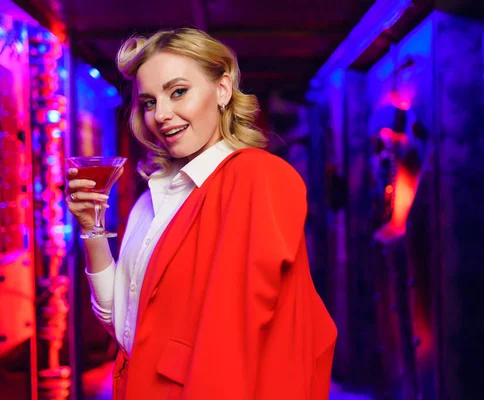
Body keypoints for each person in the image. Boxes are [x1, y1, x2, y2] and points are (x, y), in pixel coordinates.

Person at [65, 27, 337, 399]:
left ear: (223, 89)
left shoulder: (256, 177)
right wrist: (91, 227)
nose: (161, 115)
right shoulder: (153, 198)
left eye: (178, 92)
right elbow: (123, 323)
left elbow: (230, 352)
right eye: (148, 102)